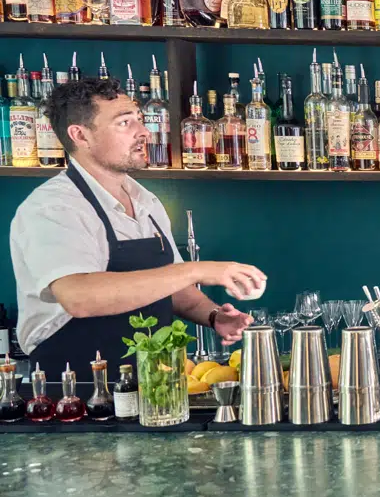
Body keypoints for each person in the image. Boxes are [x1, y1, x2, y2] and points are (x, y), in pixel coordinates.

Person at [9, 78, 265, 370]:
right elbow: (79, 297)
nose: (144, 132)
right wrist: (197, 269)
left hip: (152, 381)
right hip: (79, 383)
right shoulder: (53, 208)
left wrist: (214, 315)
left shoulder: (145, 201)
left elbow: (170, 287)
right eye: (124, 123)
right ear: (80, 135)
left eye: (140, 120)